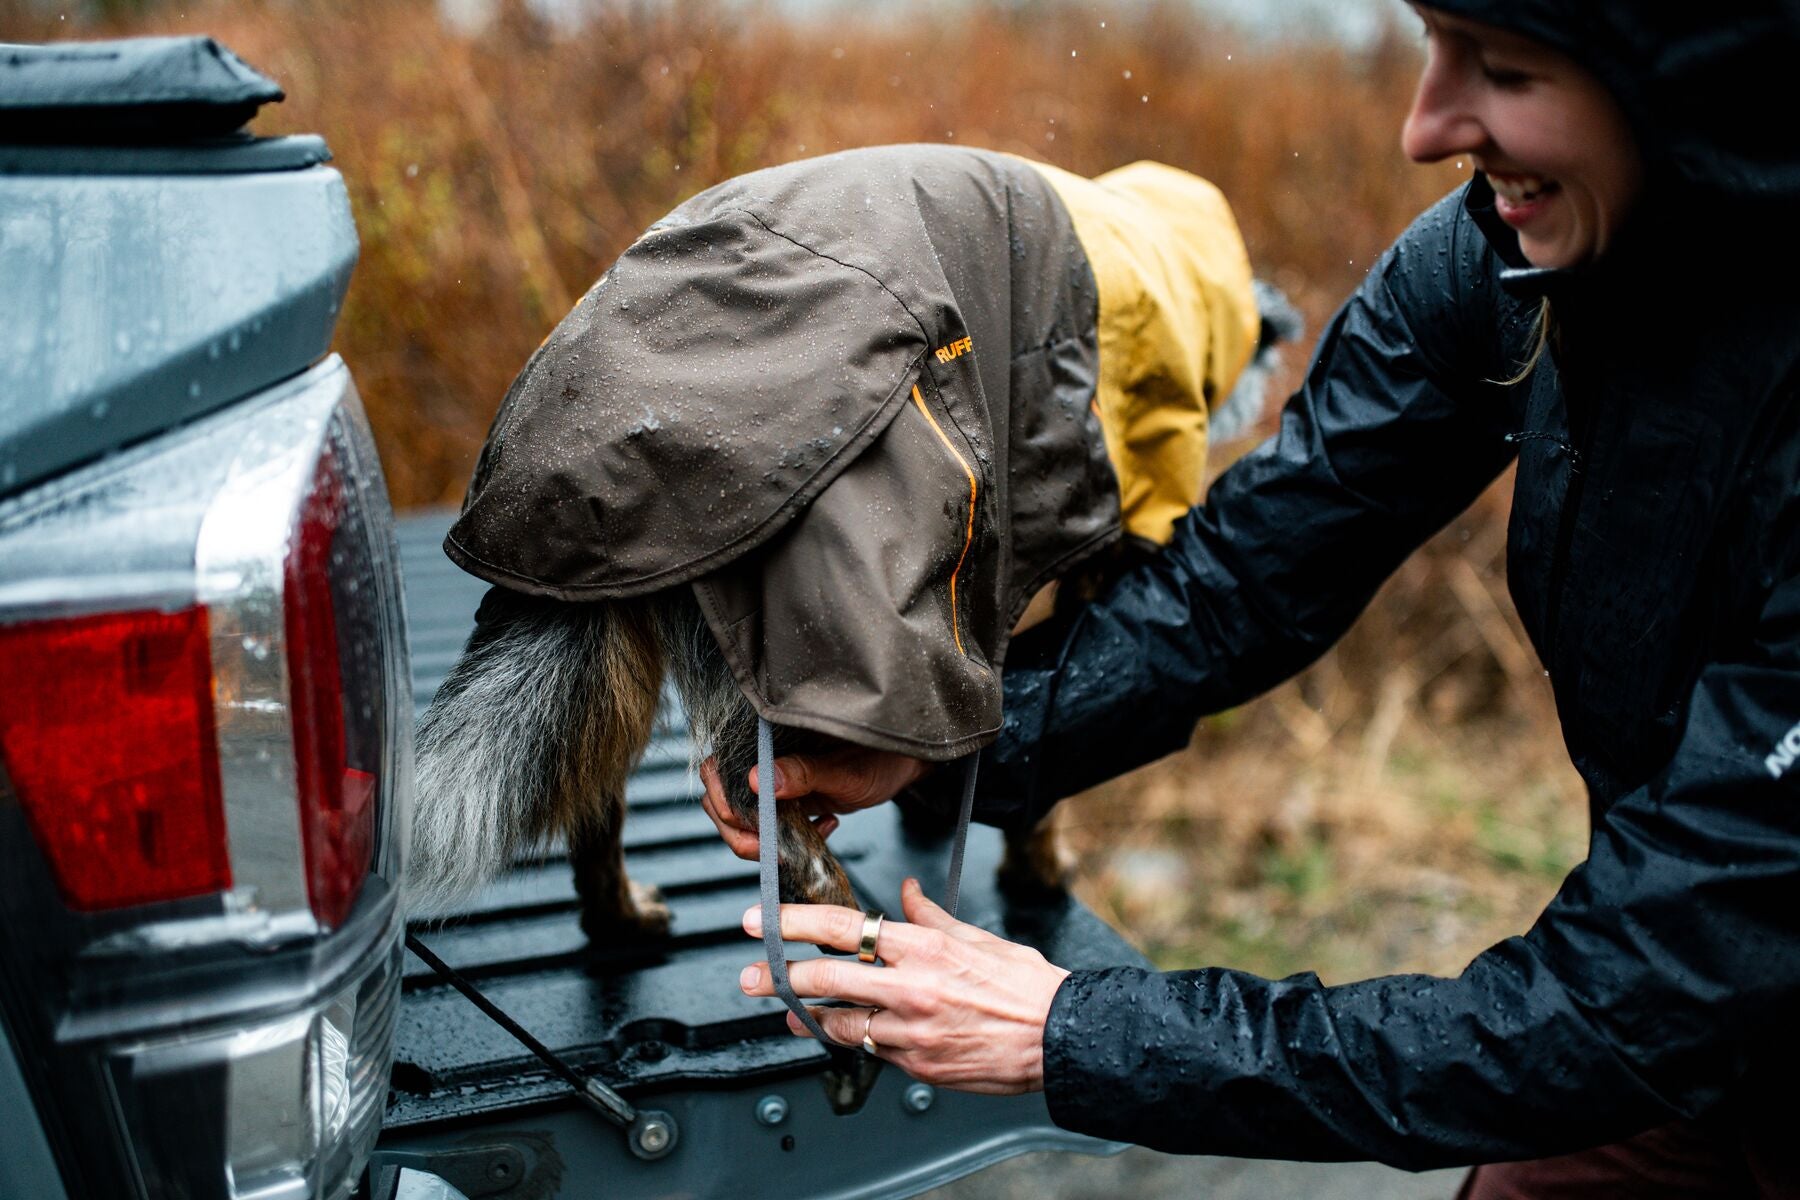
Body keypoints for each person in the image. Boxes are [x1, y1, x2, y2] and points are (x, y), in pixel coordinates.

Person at [702, 1, 1800, 1193]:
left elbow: (1625, 998)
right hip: (1686, 1038)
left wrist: (1072, 1032)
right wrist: (941, 739)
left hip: (1668, 998)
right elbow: (1251, 574)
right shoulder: (1512, 256)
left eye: (1508, 68)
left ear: (1697, 90)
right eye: (1429, 44)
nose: (1423, 126)